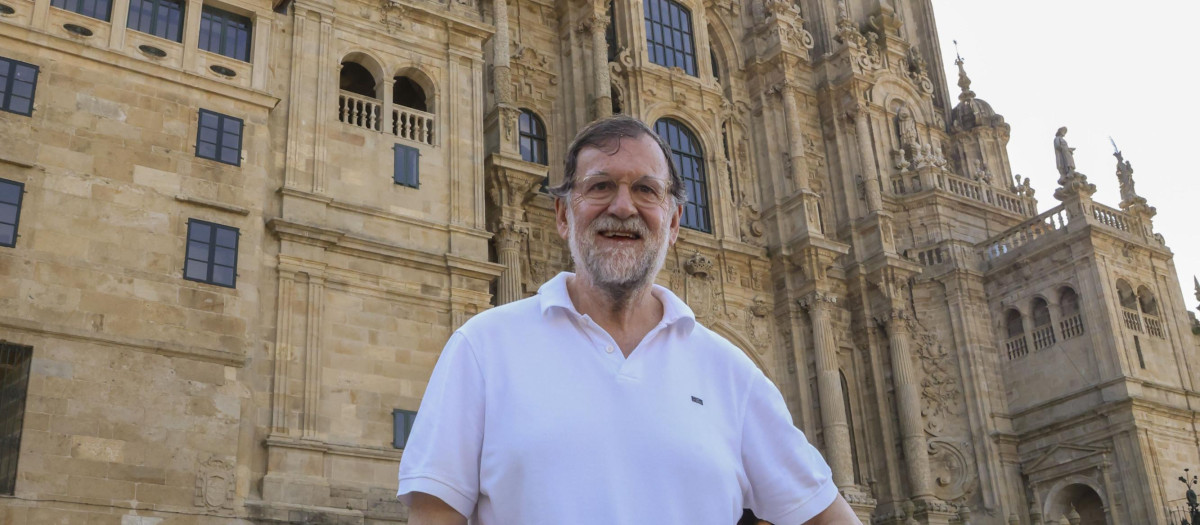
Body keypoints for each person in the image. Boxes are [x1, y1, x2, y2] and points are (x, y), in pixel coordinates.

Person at [396, 115, 859, 525]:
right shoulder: (482, 348)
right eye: (600, 186)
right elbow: (435, 515)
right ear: (562, 213)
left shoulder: (732, 373)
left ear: (674, 222)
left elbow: (822, 515)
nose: (623, 207)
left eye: (645, 189)